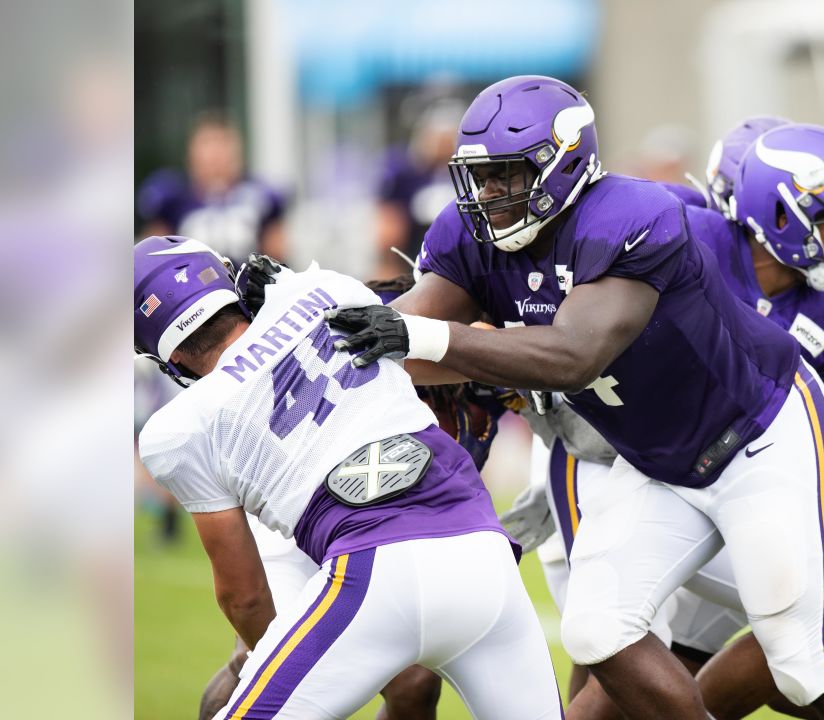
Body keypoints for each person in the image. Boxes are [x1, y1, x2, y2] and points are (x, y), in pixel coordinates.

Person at [326, 75, 824, 719]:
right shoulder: (470, 232)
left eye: (508, 175)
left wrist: (419, 335)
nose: (489, 195)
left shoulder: (631, 216)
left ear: (564, 163)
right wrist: (304, 315)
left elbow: (574, 355)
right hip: (655, 460)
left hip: (758, 435)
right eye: (480, 177)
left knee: (800, 660)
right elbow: (409, 337)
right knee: (598, 630)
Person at [134, 235, 561, 719]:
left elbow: (245, 596)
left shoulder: (176, 430)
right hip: (484, 553)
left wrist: (288, 666)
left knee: (256, 677)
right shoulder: (326, 289)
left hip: (369, 566)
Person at [137, 111, 287, 266]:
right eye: (207, 144)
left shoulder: (260, 196)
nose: (216, 154)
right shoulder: (174, 197)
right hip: (191, 287)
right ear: (191, 154)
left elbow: (278, 259)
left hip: (248, 287)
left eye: (223, 143)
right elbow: (152, 259)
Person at [373, 100, 466, 280]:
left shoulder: (474, 172)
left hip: (468, 260)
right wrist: (389, 267)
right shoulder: (405, 174)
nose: (443, 144)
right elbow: (389, 231)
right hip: (414, 261)